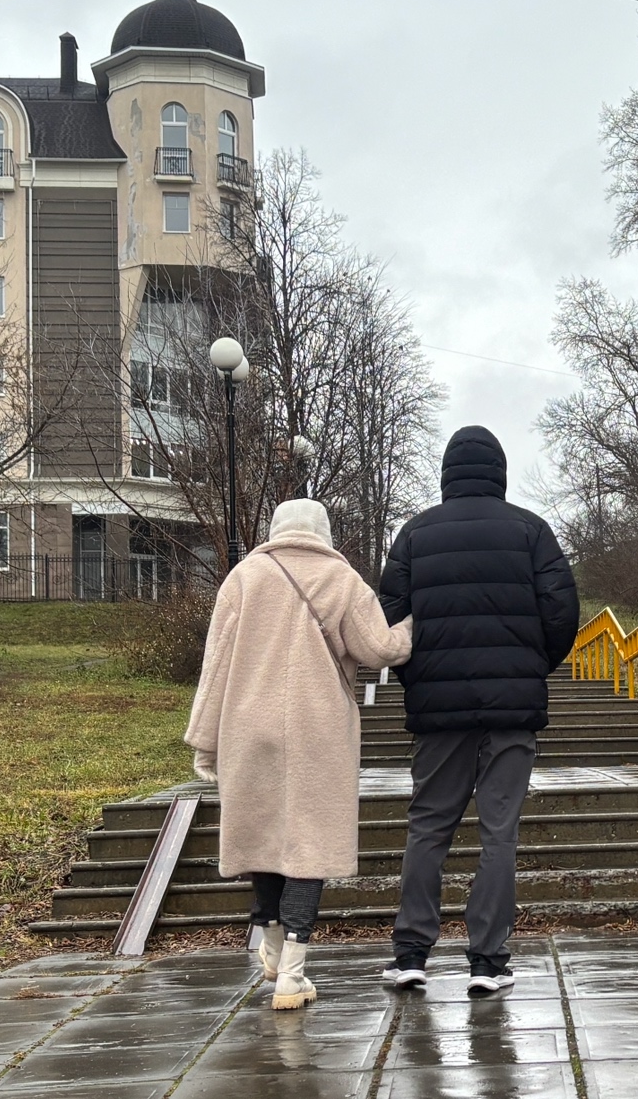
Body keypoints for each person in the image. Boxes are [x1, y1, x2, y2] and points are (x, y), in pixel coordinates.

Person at [186, 497, 414, 1010]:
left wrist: (205, 736)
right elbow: (380, 649)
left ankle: (267, 942)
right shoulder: (343, 580)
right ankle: (291, 973)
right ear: (323, 530)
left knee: (262, 833)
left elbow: (215, 663)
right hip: (317, 729)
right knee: (309, 843)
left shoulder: (244, 577)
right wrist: (413, 626)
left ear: (276, 528)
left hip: (247, 724)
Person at [376, 425, 579, 993]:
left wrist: (418, 673)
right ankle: (488, 962)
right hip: (511, 710)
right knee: (499, 831)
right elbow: (563, 610)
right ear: (500, 472)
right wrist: (530, 664)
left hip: (439, 709)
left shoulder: (414, 534)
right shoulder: (531, 531)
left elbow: (389, 621)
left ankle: (412, 952)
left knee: (429, 826)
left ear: (447, 474)